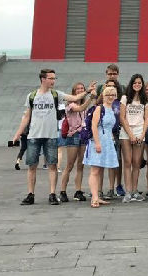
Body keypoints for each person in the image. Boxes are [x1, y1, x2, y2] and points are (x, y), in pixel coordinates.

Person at [11, 69, 94, 205]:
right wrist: (17, 134)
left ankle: (52, 194)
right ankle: (30, 194)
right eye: (51, 78)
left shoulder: (56, 94)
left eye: (54, 78)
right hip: (34, 135)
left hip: (51, 135)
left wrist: (88, 91)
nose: (53, 81)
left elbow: (74, 98)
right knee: (32, 166)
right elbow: (27, 116)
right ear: (43, 79)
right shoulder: (31, 96)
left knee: (52, 166)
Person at [84, 85, 121, 208]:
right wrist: (97, 143)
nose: (111, 97)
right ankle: (94, 198)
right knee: (95, 170)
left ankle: (97, 196)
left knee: (100, 170)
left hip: (108, 141)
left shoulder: (113, 109)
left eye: (113, 95)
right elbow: (94, 126)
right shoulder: (99, 108)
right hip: (98, 140)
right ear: (103, 96)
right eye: (108, 94)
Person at [59, 82, 94, 202]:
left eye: (82, 88)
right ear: (73, 92)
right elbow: (80, 108)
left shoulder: (85, 105)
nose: (80, 90)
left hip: (83, 134)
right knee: (70, 164)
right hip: (73, 135)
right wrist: (90, 97)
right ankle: (63, 191)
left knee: (81, 164)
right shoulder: (70, 104)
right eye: (77, 89)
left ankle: (78, 190)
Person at [95, 64, 125, 199]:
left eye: (114, 74)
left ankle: (116, 186)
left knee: (117, 160)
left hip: (117, 131)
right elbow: (96, 104)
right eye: (110, 74)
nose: (112, 76)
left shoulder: (122, 88)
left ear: (118, 74)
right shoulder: (101, 88)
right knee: (101, 161)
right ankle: (99, 189)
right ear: (106, 74)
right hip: (103, 131)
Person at [118, 74, 148, 202]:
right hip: (126, 131)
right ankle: (128, 191)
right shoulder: (125, 98)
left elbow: (146, 119)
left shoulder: (145, 99)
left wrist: (142, 135)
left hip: (139, 131)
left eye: (139, 83)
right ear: (131, 84)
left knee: (136, 162)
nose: (137, 85)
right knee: (127, 162)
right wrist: (130, 134)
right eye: (135, 83)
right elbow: (122, 117)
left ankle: (135, 191)